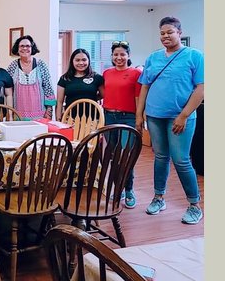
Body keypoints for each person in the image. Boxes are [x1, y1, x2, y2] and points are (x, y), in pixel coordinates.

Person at [136, 16, 204, 224]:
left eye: (170, 32)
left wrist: (183, 115)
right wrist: (139, 114)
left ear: (179, 33)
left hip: (180, 118)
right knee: (161, 157)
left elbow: (201, 88)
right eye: (162, 33)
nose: (165, 36)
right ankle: (158, 198)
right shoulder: (154, 58)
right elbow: (145, 86)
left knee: (181, 160)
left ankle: (194, 205)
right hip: (155, 116)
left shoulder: (194, 56)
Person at [102, 41, 142, 209]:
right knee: (112, 155)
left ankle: (129, 190)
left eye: (122, 54)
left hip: (128, 118)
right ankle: (118, 188)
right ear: (112, 56)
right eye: (116, 54)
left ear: (128, 55)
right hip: (109, 117)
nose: (119, 57)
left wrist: (140, 118)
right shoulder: (106, 73)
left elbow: (139, 98)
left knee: (126, 156)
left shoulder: (136, 73)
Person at [6, 35, 56, 120]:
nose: (25, 48)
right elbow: (7, 88)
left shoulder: (41, 64)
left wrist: (49, 109)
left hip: (40, 115)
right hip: (18, 115)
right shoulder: (13, 66)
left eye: (28, 46)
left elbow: (48, 88)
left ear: (32, 48)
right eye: (22, 46)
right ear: (17, 49)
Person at [55, 48, 104, 121]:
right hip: (71, 120)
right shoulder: (64, 78)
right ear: (72, 61)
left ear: (88, 61)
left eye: (84, 60)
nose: (81, 63)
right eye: (77, 60)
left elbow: (103, 95)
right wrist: (58, 120)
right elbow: (59, 102)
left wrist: (89, 98)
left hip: (93, 120)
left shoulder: (97, 77)